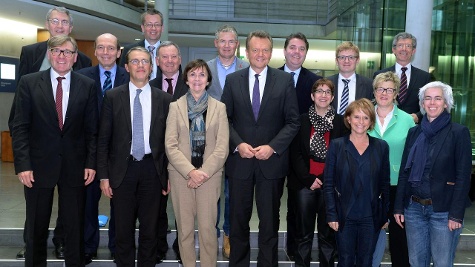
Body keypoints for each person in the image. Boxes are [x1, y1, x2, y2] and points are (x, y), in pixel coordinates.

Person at [10, 6, 92, 259]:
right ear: (49, 53)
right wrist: (23, 164)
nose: (62, 56)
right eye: (57, 51)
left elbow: (92, 129)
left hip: (74, 167)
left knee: (74, 228)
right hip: (37, 166)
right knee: (35, 228)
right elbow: (20, 125)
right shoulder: (29, 82)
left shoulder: (87, 85)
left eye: (67, 52)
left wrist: (90, 163)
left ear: (75, 57)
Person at [221, 30, 300, 266]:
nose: (260, 54)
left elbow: (293, 121)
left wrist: (273, 147)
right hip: (240, 163)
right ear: (245, 52)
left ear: (271, 52)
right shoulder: (233, 80)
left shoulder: (284, 81)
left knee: (269, 223)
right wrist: (238, 144)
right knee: (238, 221)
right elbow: (224, 119)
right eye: (255, 50)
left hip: (271, 164)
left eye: (265, 50)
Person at [97, 46, 172, 267]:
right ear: (127, 66)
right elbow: (104, 139)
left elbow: (170, 142)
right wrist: (103, 176)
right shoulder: (112, 96)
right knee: (122, 231)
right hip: (122, 171)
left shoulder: (165, 99)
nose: (140, 65)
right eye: (135, 61)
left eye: (145, 61)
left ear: (151, 67)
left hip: (153, 171)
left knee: (150, 231)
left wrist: (167, 175)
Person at [394, 81, 472, 267]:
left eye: (438, 98)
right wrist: (398, 207)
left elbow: (463, 176)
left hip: (443, 211)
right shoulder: (414, 133)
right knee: (416, 262)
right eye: (427, 98)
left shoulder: (458, 133)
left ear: (446, 103)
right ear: (422, 103)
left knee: (442, 263)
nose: (432, 102)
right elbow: (405, 171)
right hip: (413, 209)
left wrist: (456, 215)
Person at [165, 59, 229, 267]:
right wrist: (191, 172)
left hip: (209, 177)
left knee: (208, 229)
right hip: (181, 175)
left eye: (202, 75)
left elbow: (222, 148)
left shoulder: (219, 108)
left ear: (208, 80)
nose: (197, 79)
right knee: (184, 230)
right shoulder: (175, 107)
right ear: (186, 79)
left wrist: (202, 173)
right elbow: (170, 145)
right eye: (192, 74)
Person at [76, 33, 130, 263]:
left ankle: (119, 246)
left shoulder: (131, 77)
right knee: (88, 201)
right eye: (101, 48)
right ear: (95, 52)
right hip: (89, 150)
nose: (106, 52)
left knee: (120, 202)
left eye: (111, 48)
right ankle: (88, 246)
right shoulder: (80, 77)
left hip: (119, 151)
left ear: (119, 53)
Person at [288, 78, 348, 267]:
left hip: (330, 185)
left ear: (332, 98)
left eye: (328, 92)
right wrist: (309, 179)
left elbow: (341, 155)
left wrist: (323, 179)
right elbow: (295, 153)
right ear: (312, 96)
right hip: (304, 183)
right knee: (303, 234)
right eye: (319, 91)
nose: (323, 95)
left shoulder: (341, 122)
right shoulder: (301, 120)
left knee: (328, 234)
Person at [323, 98, 390, 267]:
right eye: (357, 117)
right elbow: (329, 183)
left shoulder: (381, 147)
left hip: (370, 216)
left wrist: (385, 215)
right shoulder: (337, 146)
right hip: (345, 215)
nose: (361, 122)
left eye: (366, 117)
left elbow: (385, 183)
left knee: (366, 260)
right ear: (348, 119)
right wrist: (331, 214)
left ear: (371, 122)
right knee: (345, 260)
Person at [278, 32, 323, 261]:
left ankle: (297, 250)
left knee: (297, 204)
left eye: (301, 48)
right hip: (275, 150)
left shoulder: (314, 81)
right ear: (285, 50)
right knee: (274, 202)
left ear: (306, 52)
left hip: (302, 154)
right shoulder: (271, 76)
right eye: (292, 48)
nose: (296, 52)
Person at [206, 24, 249, 258]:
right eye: (222, 41)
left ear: (237, 44)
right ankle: (209, 234)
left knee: (233, 192)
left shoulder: (247, 67)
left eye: (231, 41)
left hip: (236, 140)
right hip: (210, 141)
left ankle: (229, 234)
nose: (226, 45)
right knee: (211, 192)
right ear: (216, 43)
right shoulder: (206, 69)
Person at [367, 72, 415, 267]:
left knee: (399, 239)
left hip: (397, 185)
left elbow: (412, 156)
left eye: (389, 89)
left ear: (396, 93)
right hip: (368, 185)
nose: (384, 93)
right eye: (380, 88)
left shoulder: (407, 120)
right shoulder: (364, 116)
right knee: (367, 237)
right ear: (374, 91)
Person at [149, 40, 187, 263]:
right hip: (155, 157)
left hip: (184, 158)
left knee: (184, 208)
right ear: (157, 60)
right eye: (164, 57)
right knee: (157, 207)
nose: (169, 61)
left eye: (174, 57)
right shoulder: (149, 84)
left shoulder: (192, 85)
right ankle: (158, 246)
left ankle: (183, 249)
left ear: (180, 60)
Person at [373, 32, 431, 125]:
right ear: (394, 50)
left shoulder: (424, 77)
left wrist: (418, 116)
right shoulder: (380, 75)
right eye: (400, 45)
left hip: (413, 128)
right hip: (385, 125)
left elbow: (429, 102)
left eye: (408, 46)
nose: (404, 49)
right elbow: (374, 101)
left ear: (413, 51)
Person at [327, 41, 373, 115]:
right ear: (336, 61)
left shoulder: (369, 85)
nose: (346, 61)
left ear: (357, 60)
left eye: (351, 57)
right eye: (342, 57)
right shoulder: (327, 83)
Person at [119, 9, 163, 80]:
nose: (153, 28)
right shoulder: (129, 50)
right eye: (149, 24)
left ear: (162, 28)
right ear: (142, 28)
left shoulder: (170, 53)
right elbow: (122, 78)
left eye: (157, 25)